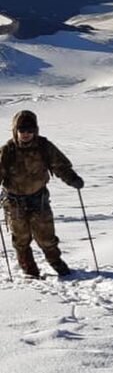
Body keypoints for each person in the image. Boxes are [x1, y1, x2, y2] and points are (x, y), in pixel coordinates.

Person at [0, 110, 84, 279]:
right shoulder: (7, 151)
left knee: (46, 236)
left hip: (39, 199)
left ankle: (56, 263)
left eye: (30, 130)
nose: (26, 134)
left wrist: (72, 179)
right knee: (21, 239)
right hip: (14, 202)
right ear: (15, 130)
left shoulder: (44, 147)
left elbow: (60, 166)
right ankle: (29, 268)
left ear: (36, 130)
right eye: (22, 130)